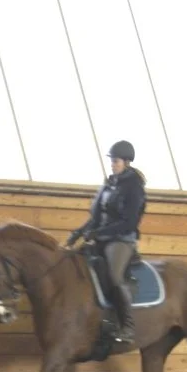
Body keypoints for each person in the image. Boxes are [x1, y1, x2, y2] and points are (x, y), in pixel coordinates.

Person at [65, 140, 147, 343]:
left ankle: (127, 327)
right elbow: (95, 217)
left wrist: (99, 233)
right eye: (112, 161)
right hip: (101, 237)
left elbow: (129, 222)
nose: (113, 164)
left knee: (113, 275)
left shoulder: (133, 188)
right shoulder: (108, 185)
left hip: (120, 240)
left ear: (126, 162)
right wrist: (78, 233)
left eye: (116, 161)